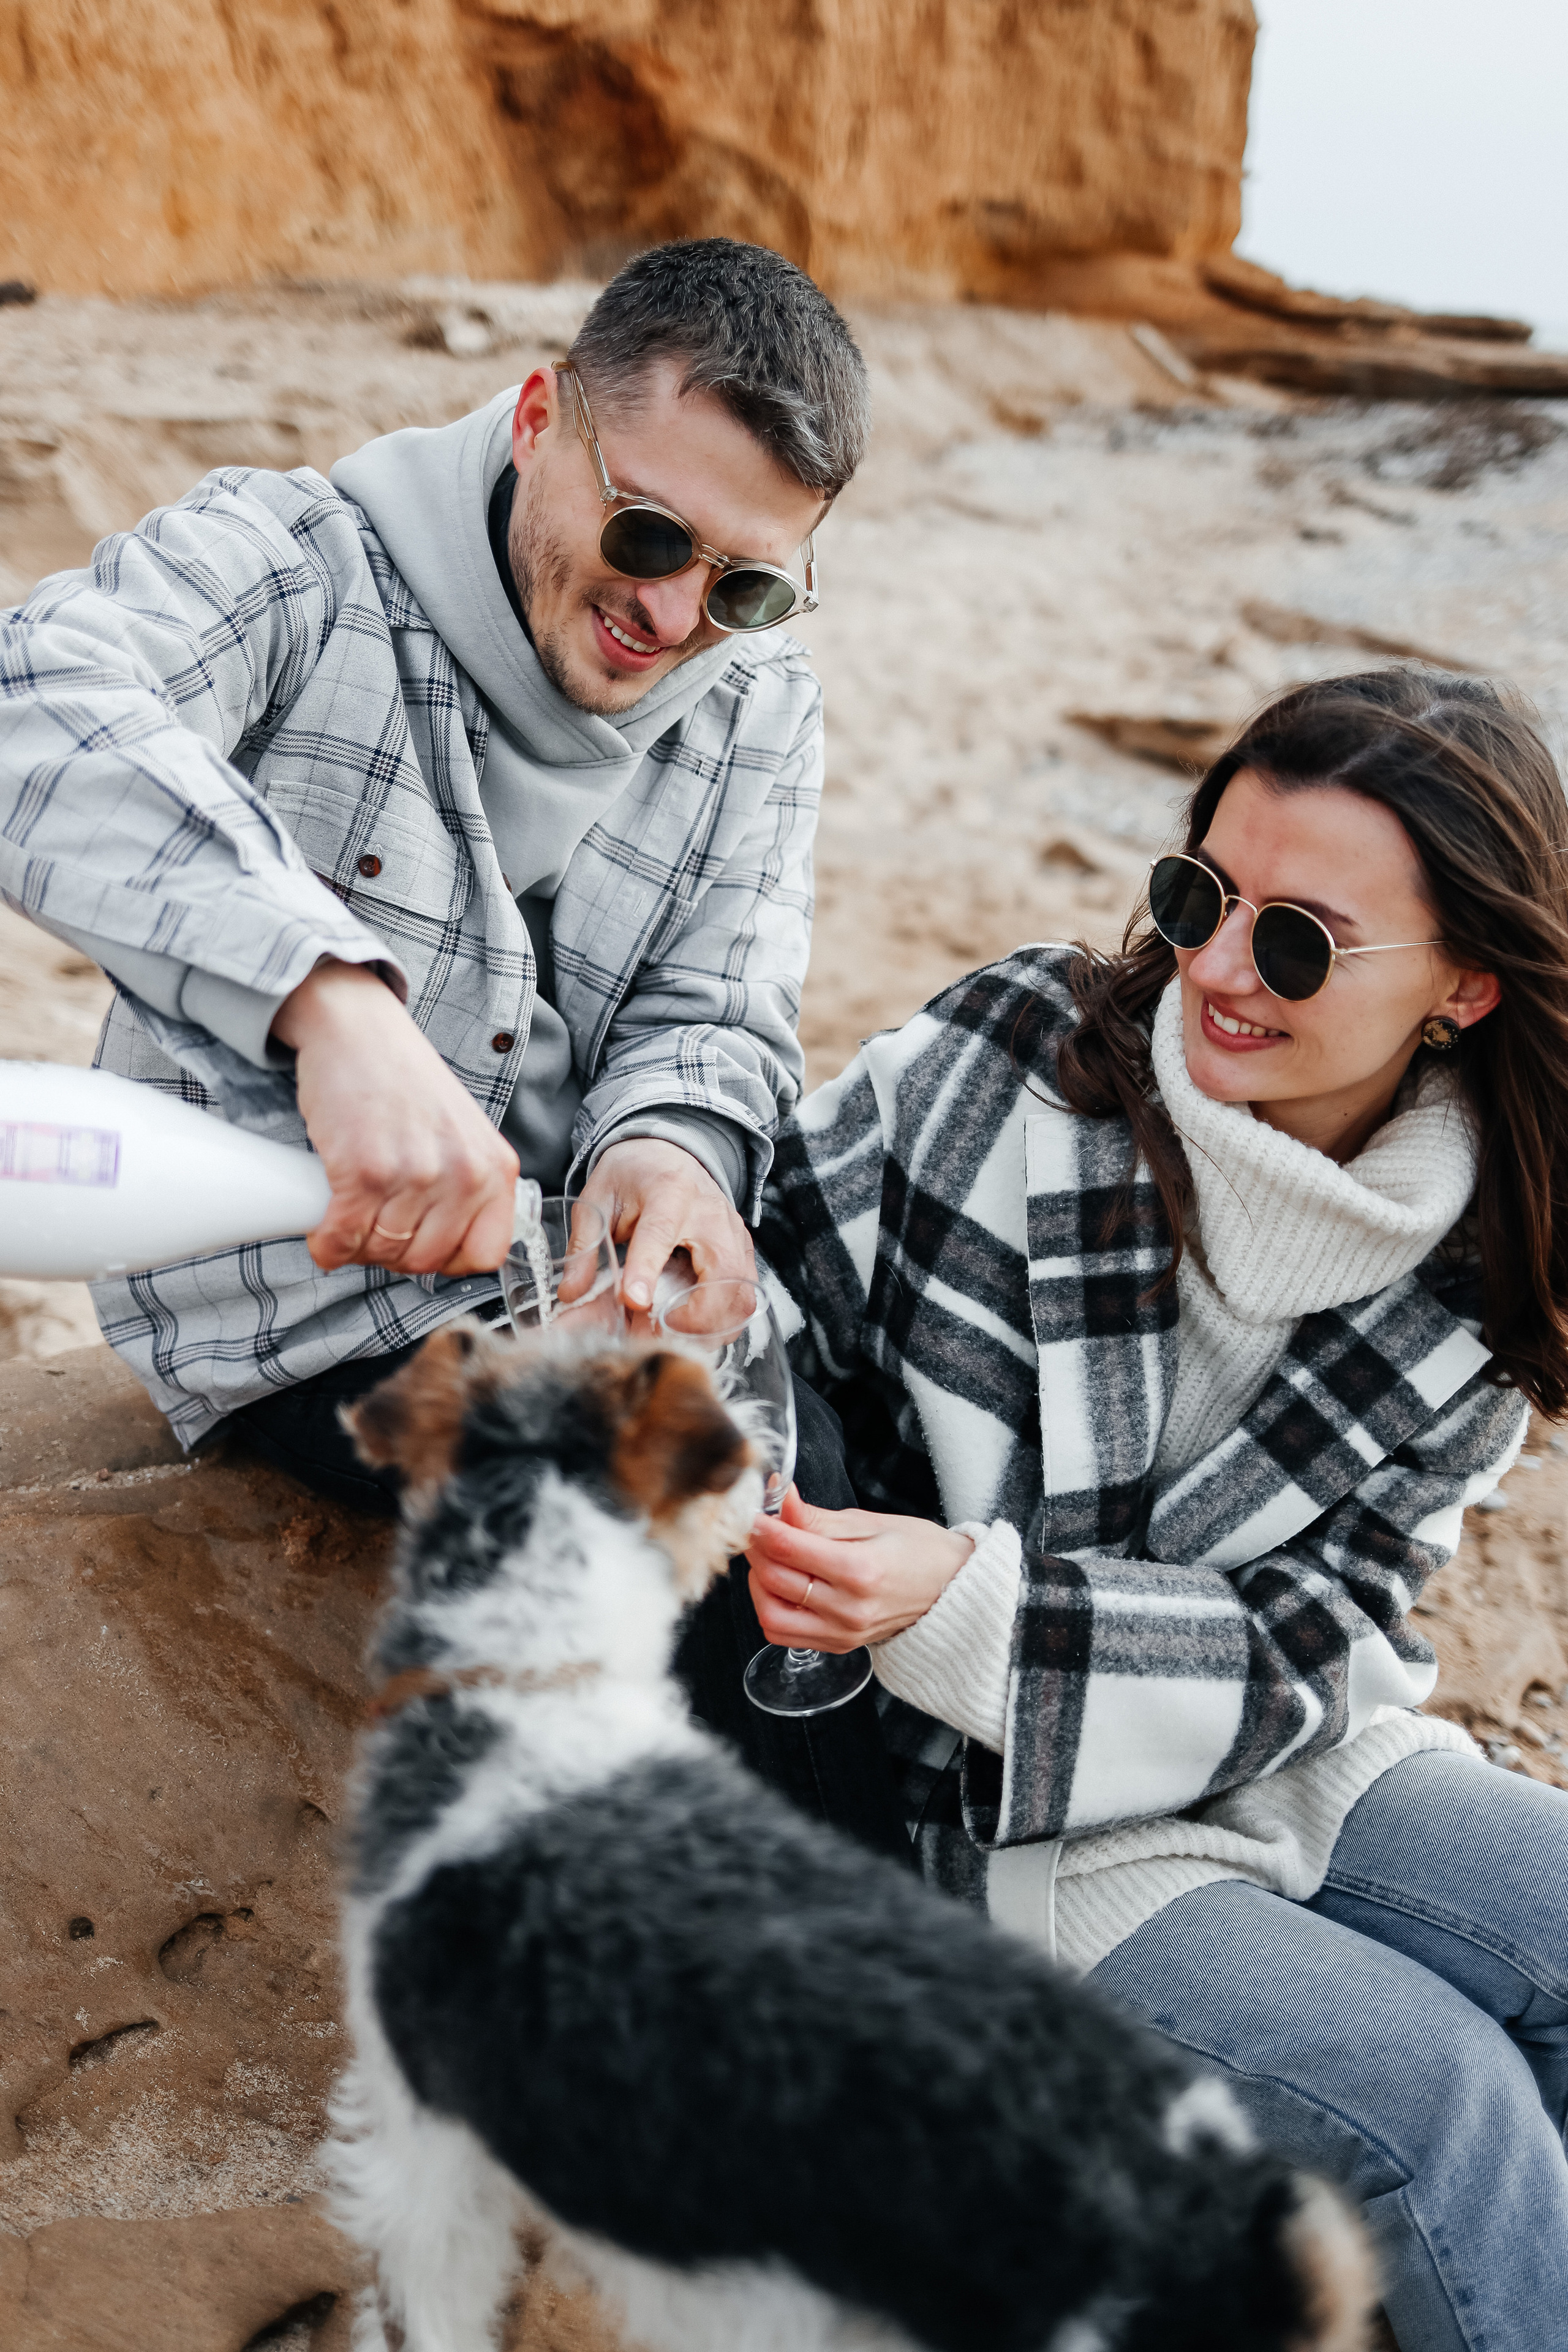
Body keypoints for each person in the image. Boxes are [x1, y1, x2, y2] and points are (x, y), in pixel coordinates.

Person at [747, 669, 1568, 2348]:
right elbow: (751, 1296)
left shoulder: (1496, 1252)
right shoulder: (1006, 1063)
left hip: (1275, 1732)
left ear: (1467, 988)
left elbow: (1330, 1628)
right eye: (1201, 894)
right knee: (1439, 2107)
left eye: (1297, 943)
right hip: (975, 1791)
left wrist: (981, 1602)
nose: (1210, 967)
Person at [0, 237, 866, 1510]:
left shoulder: (765, 707)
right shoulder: (300, 566)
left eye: (741, 587)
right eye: (647, 534)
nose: (675, 620)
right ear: (535, 420)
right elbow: (36, 692)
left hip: (586, 1290)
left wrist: (667, 1150)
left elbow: (714, 1011)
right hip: (304, 1309)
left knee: (847, 1497)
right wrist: (330, 1001)